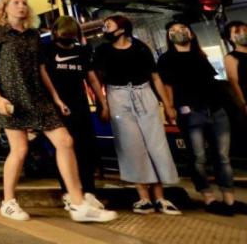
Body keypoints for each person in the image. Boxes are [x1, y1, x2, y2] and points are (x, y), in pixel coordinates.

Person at [0, 0, 117, 223]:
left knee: (65, 141)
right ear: (4, 8)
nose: (22, 6)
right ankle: (8, 202)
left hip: (38, 97)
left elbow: (41, 69)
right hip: (11, 98)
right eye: (16, 3)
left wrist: (56, 97)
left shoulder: (33, 35)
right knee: (20, 149)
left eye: (24, 2)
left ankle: (78, 203)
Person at [93, 14, 180, 215]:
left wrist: (167, 104)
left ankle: (160, 197)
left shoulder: (141, 47)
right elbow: (97, 80)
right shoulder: (102, 51)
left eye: (108, 25)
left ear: (122, 29)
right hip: (118, 96)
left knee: (156, 143)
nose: (105, 29)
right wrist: (103, 104)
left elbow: (155, 77)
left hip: (144, 93)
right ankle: (144, 197)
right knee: (131, 146)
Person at [158, 22, 246, 215]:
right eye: (172, 30)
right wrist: (169, 108)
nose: (178, 33)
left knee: (222, 156)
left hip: (216, 109)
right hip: (190, 112)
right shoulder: (166, 59)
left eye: (182, 29)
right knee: (198, 157)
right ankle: (209, 198)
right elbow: (168, 86)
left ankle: (229, 199)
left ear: (190, 32)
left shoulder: (200, 54)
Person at [39, 17, 106, 210]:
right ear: (55, 33)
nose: (68, 37)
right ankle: (68, 192)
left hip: (80, 106)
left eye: (71, 33)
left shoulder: (83, 51)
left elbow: (91, 78)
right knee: (64, 148)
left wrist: (102, 102)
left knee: (86, 148)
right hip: (56, 107)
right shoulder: (47, 50)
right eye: (64, 33)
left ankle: (89, 192)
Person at [223, 21, 247, 114]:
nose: (243, 33)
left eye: (245, 30)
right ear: (230, 38)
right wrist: (243, 104)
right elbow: (234, 83)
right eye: (237, 32)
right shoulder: (231, 57)